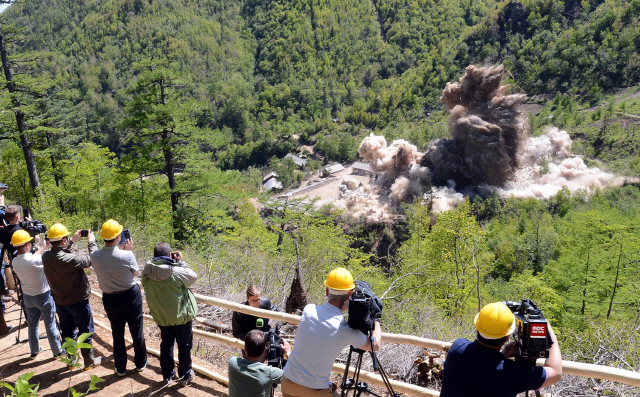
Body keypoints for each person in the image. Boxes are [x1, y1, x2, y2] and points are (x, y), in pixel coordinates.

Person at [282, 267, 381, 397]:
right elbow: (375, 345)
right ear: (350, 295)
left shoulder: (308, 310)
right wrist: (376, 319)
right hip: (315, 391)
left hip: (288, 382)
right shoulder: (345, 330)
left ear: (327, 291)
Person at [439, 302, 563, 397]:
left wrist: (504, 354)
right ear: (508, 336)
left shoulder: (457, 348)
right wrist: (544, 326)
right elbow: (555, 372)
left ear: (478, 327)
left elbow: (482, 370)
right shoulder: (512, 373)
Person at [41, 223, 102, 369]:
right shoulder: (72, 260)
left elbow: (60, 255)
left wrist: (72, 241)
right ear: (63, 240)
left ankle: (72, 361)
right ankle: (89, 361)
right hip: (78, 301)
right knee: (85, 331)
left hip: (60, 301)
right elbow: (92, 258)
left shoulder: (46, 257)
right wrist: (91, 241)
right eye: (66, 239)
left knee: (67, 331)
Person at [90, 220, 147, 376]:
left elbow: (96, 253)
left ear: (103, 237)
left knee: (117, 333)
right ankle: (141, 363)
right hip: (130, 296)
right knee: (137, 331)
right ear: (119, 236)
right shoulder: (127, 255)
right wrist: (127, 251)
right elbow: (135, 273)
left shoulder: (94, 256)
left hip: (110, 299)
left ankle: (120, 368)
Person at [141, 242, 198, 385]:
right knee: (184, 346)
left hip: (162, 317)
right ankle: (185, 375)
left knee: (166, 344)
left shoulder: (147, 271)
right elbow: (193, 277)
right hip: (180, 317)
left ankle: (168, 375)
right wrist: (181, 262)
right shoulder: (175, 272)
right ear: (169, 255)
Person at [11, 230, 64, 359]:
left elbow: (32, 257)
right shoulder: (35, 261)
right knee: (50, 324)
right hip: (43, 296)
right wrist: (44, 247)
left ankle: (34, 350)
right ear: (28, 244)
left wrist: (43, 246)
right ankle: (57, 351)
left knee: (32, 325)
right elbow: (39, 259)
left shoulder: (14, 262)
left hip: (27, 297)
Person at [228, 329, 292, 397]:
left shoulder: (233, 363)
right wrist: (288, 353)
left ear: (245, 348)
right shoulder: (270, 372)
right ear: (264, 349)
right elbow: (292, 379)